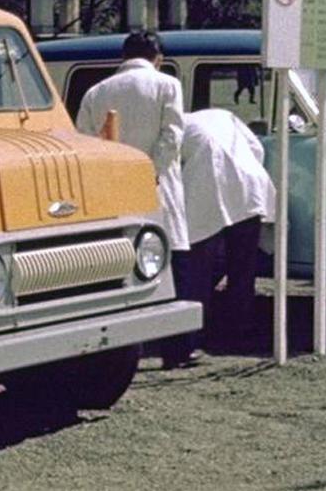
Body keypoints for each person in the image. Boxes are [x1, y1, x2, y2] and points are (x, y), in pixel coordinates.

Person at [76, 30, 193, 367]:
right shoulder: (166, 85)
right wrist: (150, 171)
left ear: (123, 56)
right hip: (157, 186)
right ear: (157, 58)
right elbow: (172, 136)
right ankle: (176, 349)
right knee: (170, 266)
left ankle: (122, 349)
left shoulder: (97, 92)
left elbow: (85, 142)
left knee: (121, 268)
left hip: (111, 191)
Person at [181, 108, 275, 351]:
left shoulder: (176, 125)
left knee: (200, 266)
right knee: (243, 266)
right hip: (250, 185)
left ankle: (194, 335)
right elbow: (257, 148)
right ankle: (237, 329)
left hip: (207, 187)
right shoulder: (222, 115)